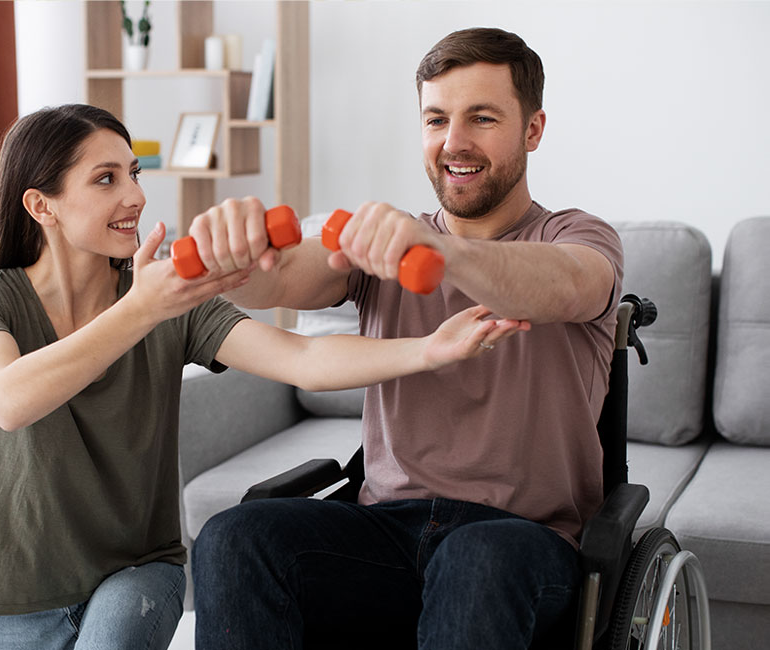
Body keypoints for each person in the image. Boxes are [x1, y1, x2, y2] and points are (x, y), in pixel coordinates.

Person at [0, 103, 528, 650]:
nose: (135, 197)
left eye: (134, 174)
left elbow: (303, 360)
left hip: (137, 571)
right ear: (42, 206)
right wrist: (140, 309)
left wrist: (429, 350)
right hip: (10, 595)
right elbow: (9, 399)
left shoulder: (172, 297)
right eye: (105, 180)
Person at [189, 27, 624, 649]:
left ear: (533, 129)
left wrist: (442, 252)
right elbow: (284, 277)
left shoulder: (576, 236)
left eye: (482, 118)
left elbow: (567, 285)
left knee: (477, 557)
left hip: (521, 541)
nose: (454, 142)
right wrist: (233, 257)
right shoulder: (383, 244)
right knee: (235, 537)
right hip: (383, 533)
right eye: (436, 119)